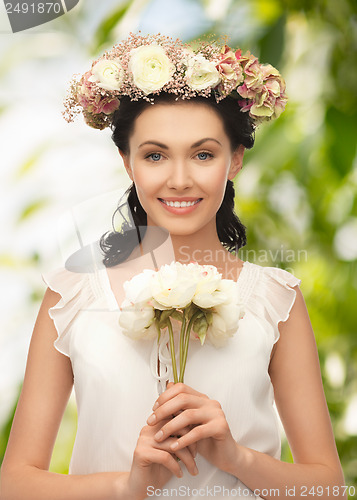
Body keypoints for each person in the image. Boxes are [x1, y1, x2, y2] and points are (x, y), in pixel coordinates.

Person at [0, 32, 346, 500]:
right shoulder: (72, 297)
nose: (179, 180)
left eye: (203, 154)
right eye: (155, 155)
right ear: (127, 162)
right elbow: (14, 484)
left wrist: (235, 457)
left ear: (235, 159)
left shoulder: (274, 298)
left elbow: (326, 488)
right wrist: (129, 486)